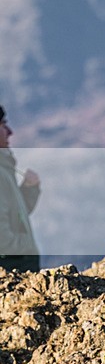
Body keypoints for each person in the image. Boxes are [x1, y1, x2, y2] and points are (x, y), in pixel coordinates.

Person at [0, 105, 41, 272]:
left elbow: (13, 218)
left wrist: (28, 190)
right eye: (3, 125)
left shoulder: (4, 168)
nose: (10, 132)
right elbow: (3, 241)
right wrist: (29, 246)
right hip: (11, 278)